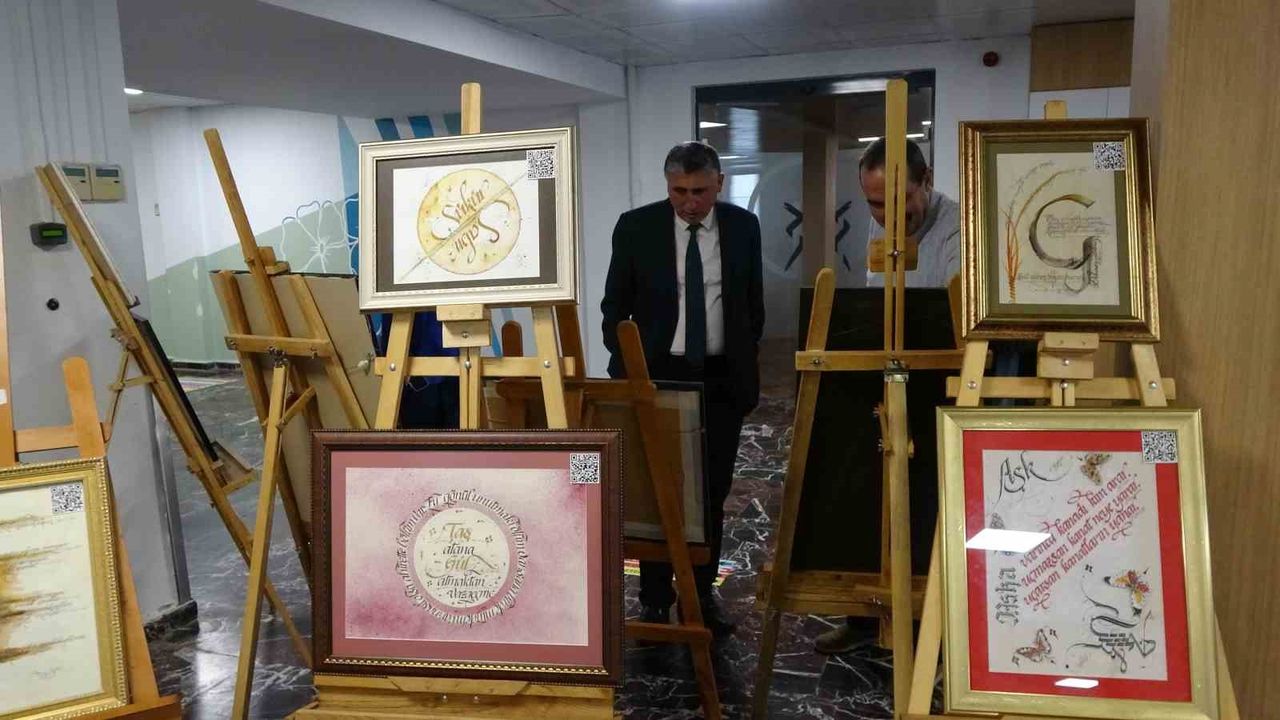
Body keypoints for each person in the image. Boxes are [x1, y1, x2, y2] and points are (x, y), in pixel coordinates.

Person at [601, 141, 764, 638]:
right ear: (667, 186)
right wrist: (630, 371)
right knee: (658, 490)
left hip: (719, 379)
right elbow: (614, 308)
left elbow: (752, 305)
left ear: (719, 184)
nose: (690, 202)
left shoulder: (742, 227)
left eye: (700, 191)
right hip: (657, 376)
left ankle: (701, 594)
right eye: (679, 192)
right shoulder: (637, 227)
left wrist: (741, 361)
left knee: (711, 492)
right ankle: (654, 599)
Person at [812, 137, 960, 655]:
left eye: (900, 203)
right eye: (875, 205)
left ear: (927, 181)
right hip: (885, 379)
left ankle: (924, 624)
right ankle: (863, 617)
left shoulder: (960, 231)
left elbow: (948, 317)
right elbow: (878, 298)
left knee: (927, 506)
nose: (888, 218)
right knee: (864, 494)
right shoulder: (881, 223)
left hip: (941, 386)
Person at [859, 137, 960, 288]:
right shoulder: (878, 222)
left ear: (927, 180)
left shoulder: (960, 226)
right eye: (878, 204)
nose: (890, 217)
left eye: (899, 200)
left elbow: (960, 300)